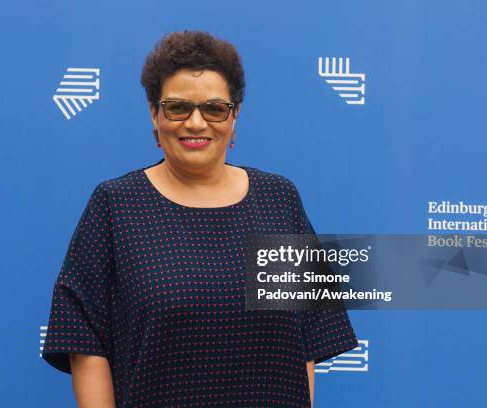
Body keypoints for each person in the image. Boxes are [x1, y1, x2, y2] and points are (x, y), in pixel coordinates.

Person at [42, 30, 358, 408]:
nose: (195, 123)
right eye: (178, 107)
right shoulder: (116, 206)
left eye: (214, 108)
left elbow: (307, 341)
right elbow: (85, 344)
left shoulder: (279, 201)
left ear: (234, 115)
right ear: (154, 114)